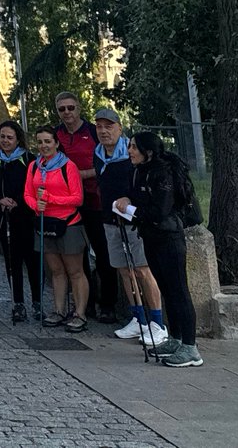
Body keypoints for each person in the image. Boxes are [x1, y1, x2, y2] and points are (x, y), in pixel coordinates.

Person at [114, 132, 202, 367]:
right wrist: (125, 202)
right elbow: (137, 198)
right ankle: (175, 338)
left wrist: (130, 211)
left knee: (179, 292)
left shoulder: (163, 172)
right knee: (167, 290)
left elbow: (160, 210)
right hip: (151, 237)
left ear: (148, 151)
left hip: (169, 238)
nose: (130, 151)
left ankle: (191, 347)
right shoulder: (141, 171)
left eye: (134, 147)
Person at [94, 110, 168, 347]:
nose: (104, 131)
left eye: (109, 126)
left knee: (142, 269)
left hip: (133, 220)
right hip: (110, 218)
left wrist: (130, 201)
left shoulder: (131, 154)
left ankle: (157, 322)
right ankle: (138, 318)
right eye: (99, 127)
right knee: (124, 270)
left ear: (119, 127)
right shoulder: (97, 155)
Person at [54, 91, 117, 323]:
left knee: (103, 254)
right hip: (70, 205)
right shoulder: (57, 134)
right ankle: (85, 304)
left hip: (96, 201)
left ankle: (108, 304)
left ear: (78, 108)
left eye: (71, 108)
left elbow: (105, 163)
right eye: (62, 109)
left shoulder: (92, 131)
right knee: (75, 257)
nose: (67, 113)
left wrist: (80, 175)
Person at [25, 125, 89, 332]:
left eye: (47, 142)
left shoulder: (67, 167)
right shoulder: (34, 166)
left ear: (56, 143)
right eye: (40, 142)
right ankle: (59, 310)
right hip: (45, 223)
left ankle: (80, 313)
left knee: (75, 271)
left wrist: (51, 199)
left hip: (68, 223)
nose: (44, 146)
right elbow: (28, 193)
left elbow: (77, 198)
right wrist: (36, 205)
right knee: (56, 271)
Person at [0, 120, 41, 322]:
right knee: (12, 263)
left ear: (18, 139)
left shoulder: (29, 160)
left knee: (32, 262)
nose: (5, 141)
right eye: (2, 137)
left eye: (9, 137)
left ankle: (37, 301)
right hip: (4, 219)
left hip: (26, 217)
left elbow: (33, 186)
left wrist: (18, 201)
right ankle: (18, 303)